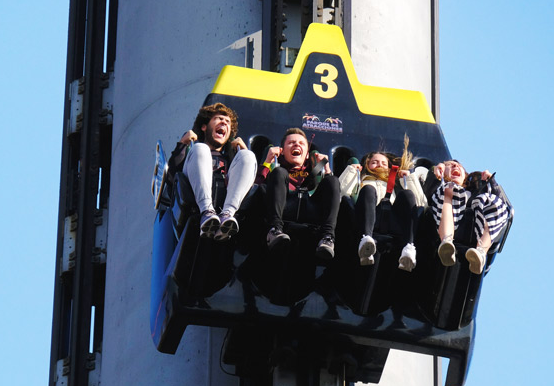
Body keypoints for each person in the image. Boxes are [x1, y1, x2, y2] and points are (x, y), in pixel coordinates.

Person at [168, 103, 257, 240]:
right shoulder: (195, 150)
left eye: (227, 122)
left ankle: (227, 214)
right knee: (200, 149)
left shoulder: (230, 158)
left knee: (248, 156)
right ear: (204, 127)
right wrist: (182, 144)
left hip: (224, 205)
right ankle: (206, 211)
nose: (224, 123)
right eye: (219, 119)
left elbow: (249, 182)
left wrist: (243, 150)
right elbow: (172, 176)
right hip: (193, 203)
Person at [257, 128, 340, 259]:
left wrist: (326, 169)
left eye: (301, 143)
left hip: (311, 208)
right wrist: (267, 161)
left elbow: (332, 192)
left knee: (333, 180)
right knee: (279, 172)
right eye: (291, 143)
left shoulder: (314, 171)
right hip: (284, 205)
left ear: (307, 154)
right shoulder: (278, 171)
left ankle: (327, 238)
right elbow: (257, 187)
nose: (296, 145)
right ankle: (274, 230)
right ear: (282, 152)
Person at [352, 149, 430, 270]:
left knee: (408, 194)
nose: (379, 165)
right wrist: (351, 171)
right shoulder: (361, 179)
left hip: (391, 218)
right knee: (368, 189)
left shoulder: (396, 184)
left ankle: (408, 246)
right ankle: (366, 239)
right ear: (367, 165)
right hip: (368, 215)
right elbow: (342, 194)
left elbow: (421, 204)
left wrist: (408, 179)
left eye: (384, 163)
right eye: (374, 162)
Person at [431, 159, 510, 274]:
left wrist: (491, 183)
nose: (454, 166)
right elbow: (428, 191)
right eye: (449, 165)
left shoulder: (473, 194)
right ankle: (446, 243)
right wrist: (436, 171)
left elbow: (502, 207)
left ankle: (481, 252)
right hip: (447, 221)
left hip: (475, 229)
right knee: (449, 188)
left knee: (489, 199)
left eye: (459, 166)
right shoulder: (442, 187)